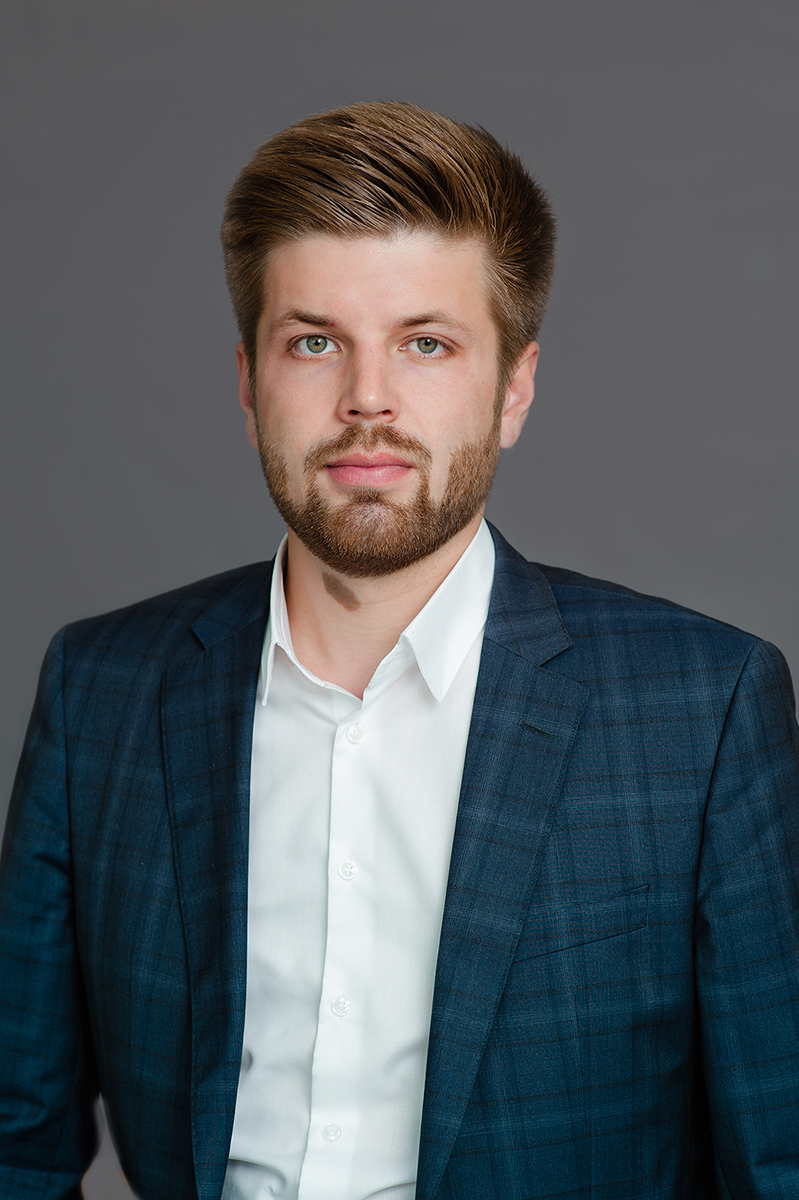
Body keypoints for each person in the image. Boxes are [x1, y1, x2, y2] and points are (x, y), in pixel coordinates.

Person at [1, 101, 798, 1200]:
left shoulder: (701, 711)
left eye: (426, 343)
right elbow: (16, 1140)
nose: (365, 400)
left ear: (513, 388)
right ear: (248, 386)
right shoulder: (103, 692)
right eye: (313, 342)